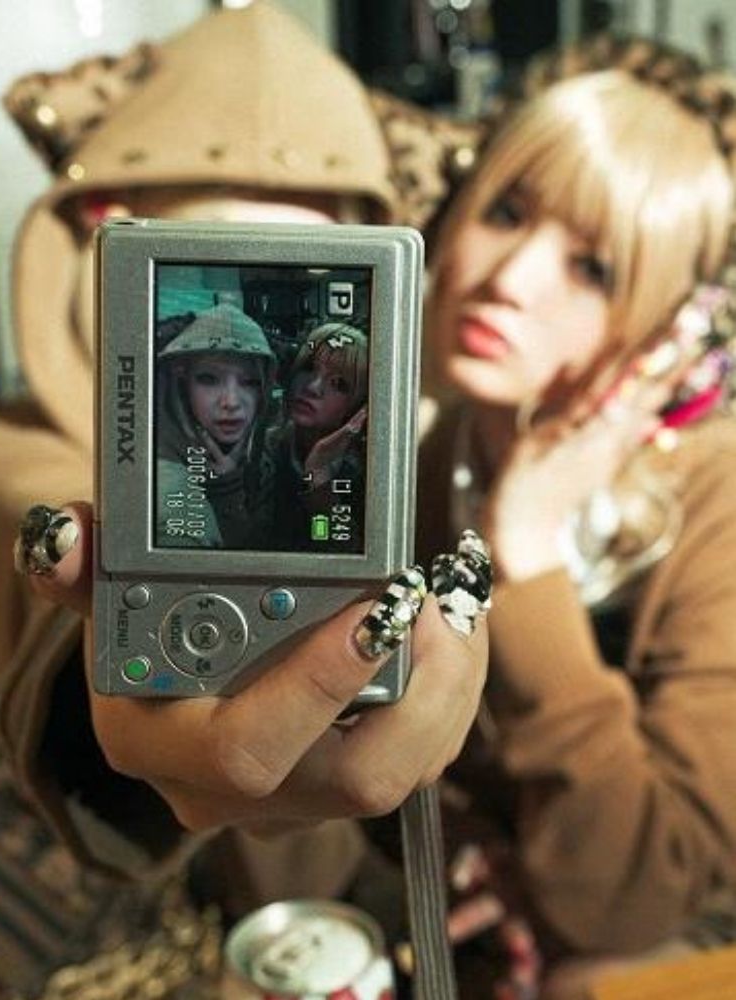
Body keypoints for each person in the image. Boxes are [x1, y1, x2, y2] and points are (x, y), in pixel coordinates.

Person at [0, 3, 487, 996]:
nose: (230, 396)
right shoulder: (12, 453)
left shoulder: (371, 451)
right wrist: (108, 663)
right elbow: (26, 495)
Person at [416, 33, 736, 1000]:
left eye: (593, 267)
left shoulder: (716, 499)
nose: (509, 279)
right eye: (506, 212)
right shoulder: (429, 450)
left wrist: (526, 551)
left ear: (670, 331)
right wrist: (477, 848)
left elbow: (634, 894)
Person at [156, 302, 277, 549]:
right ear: (182, 384)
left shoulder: (263, 456)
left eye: (250, 382)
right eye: (208, 379)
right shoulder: (163, 479)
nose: (231, 402)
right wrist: (226, 492)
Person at [276, 321, 368, 550]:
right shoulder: (262, 449)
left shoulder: (366, 476)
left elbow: (337, 547)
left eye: (338, 383)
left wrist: (319, 481)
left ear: (359, 407)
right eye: (309, 368)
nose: (313, 387)